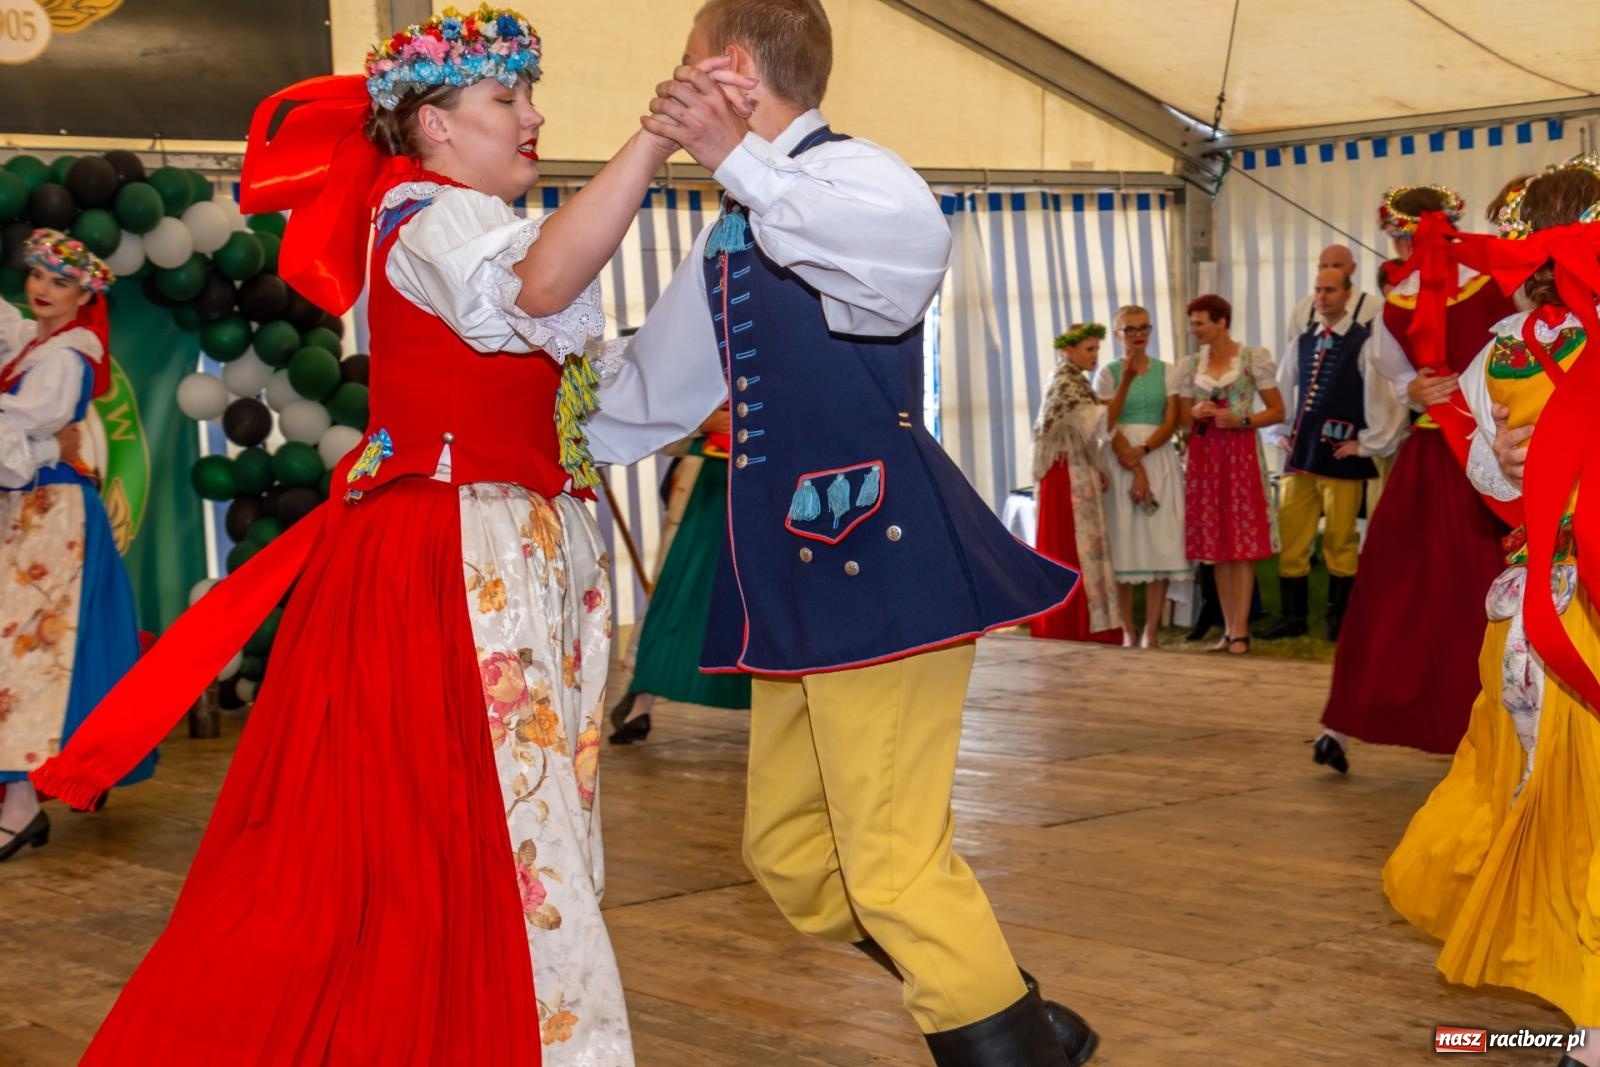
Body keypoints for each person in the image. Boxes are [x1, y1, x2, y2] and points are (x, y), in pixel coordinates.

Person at [27, 9, 741, 1062]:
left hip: (511, 547)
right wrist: (652, 140)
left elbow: (583, 362)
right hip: (452, 561)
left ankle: (467, 1023)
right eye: (506, 99)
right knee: (481, 824)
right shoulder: (428, 216)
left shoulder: (480, 225)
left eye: (527, 95)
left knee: (493, 825)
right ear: (433, 127)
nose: (533, 116)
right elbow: (541, 287)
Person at [635, 0, 1096, 1061]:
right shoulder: (736, 220)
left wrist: (738, 162)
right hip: (794, 586)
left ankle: (1005, 1042)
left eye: (686, 65)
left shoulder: (859, 177)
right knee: (789, 852)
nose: (671, 85)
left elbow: (900, 265)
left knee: (887, 856)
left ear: (733, 70)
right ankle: (1004, 1005)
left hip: (881, 563)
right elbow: (662, 379)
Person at [1382, 154, 1600, 1066]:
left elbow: (1487, 468)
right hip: (1570, 611)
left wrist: (1497, 449)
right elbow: (1496, 468)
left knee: (1552, 801)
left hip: (1535, 611)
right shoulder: (1535, 345)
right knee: (1574, 805)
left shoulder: (1507, 348)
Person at [1310, 185, 1513, 774]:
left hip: (1441, 457)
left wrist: (1413, 393)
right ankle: (1478, 728)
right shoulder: (1494, 285)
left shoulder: (1398, 302)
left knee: (1400, 590)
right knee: (1470, 588)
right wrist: (1416, 392)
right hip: (1482, 457)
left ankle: (1345, 724)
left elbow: (1391, 389)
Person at [0, 230, 156, 862]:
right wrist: (43, 448)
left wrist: (39, 450)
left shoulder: (62, 357)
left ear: (83, 295)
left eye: (60, 281)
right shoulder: (31, 345)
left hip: (51, 515)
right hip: (31, 508)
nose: (43, 288)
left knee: (32, 659)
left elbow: (12, 447)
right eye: (37, 275)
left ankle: (21, 805)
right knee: (24, 656)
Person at [1256, 268, 1407, 642]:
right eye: (1318, 290)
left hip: (1342, 459)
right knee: (1292, 535)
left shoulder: (1365, 342)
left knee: (1340, 540)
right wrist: (1280, 431)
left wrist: (1368, 442)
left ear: (1347, 294)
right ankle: (1292, 617)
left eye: (1330, 290)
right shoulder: (1303, 341)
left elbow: (1382, 397)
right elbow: (1284, 387)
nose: (1322, 297)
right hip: (1302, 456)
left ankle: (1339, 619)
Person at [607, 406, 751, 743]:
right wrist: (698, 421)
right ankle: (641, 699)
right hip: (709, 482)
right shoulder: (700, 357)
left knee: (756, 602)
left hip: (767, 478)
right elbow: (663, 409)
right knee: (678, 593)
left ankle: (782, 709)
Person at [1179, 294, 1284, 655]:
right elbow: (1178, 419)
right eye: (1192, 323)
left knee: (1241, 545)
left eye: (1200, 323)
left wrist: (1242, 419)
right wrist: (1195, 411)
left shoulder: (1253, 357)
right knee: (1218, 548)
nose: (1194, 330)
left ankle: (1241, 630)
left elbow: (1277, 410)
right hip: (1206, 458)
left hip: (1239, 455)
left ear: (1221, 321)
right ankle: (1229, 628)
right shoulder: (1191, 364)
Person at [1094, 304, 1188, 648]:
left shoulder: (1169, 371)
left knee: (1159, 539)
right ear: (1118, 334)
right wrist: (1131, 461)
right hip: (1119, 457)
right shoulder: (1107, 373)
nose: (1137, 335)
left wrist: (1145, 452)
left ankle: (1151, 628)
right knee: (1123, 539)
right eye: (1129, 329)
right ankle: (1126, 628)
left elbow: (1171, 419)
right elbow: (1105, 421)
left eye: (1143, 328)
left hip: (1157, 456)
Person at [1030, 322, 1119, 644]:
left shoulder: (1074, 380)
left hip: (1074, 468)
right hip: (1065, 473)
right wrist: (1129, 382)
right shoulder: (1066, 381)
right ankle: (1069, 624)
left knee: (1082, 546)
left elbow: (1089, 433)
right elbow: (1097, 422)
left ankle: (1081, 623)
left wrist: (1097, 467)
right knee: (1071, 547)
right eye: (1089, 349)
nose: (1095, 356)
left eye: (1097, 349)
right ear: (1068, 350)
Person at [1283, 243, 1379, 349]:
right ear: (1318, 268)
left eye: (1337, 265)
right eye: (1324, 266)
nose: (1330, 270)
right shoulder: (1302, 308)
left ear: (1353, 268)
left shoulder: (1374, 307)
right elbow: (1293, 351)